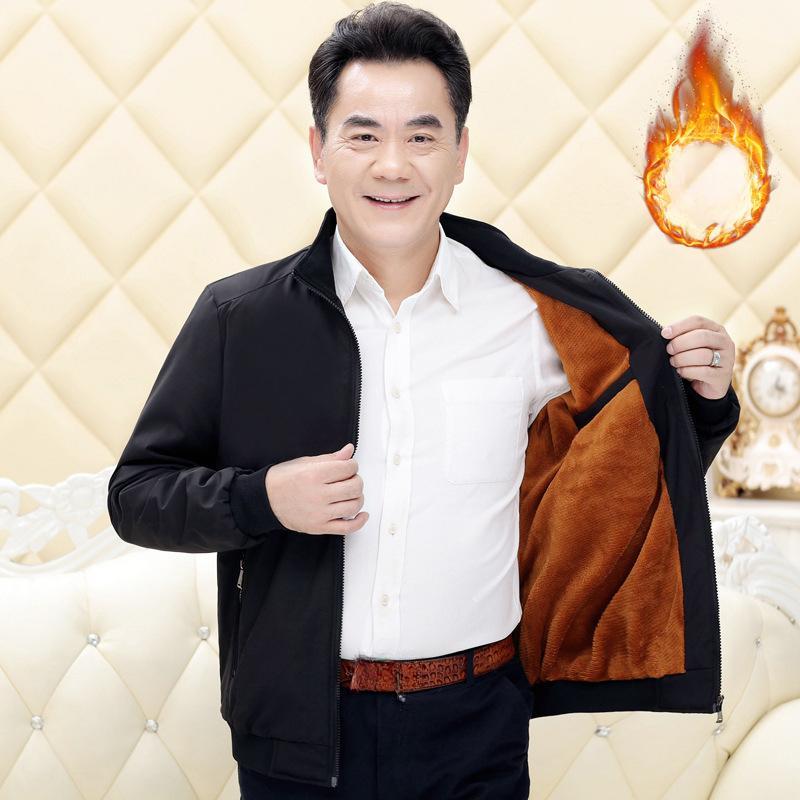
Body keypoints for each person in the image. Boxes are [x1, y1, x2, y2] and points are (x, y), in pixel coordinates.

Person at [107, 3, 741, 798]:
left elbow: (629, 460)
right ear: (318, 151)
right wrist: (264, 498)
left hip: (477, 728)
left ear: (461, 152)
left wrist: (706, 396)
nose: (392, 165)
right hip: (296, 733)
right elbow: (136, 497)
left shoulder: (533, 314)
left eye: (422, 136)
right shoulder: (241, 319)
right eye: (363, 135)